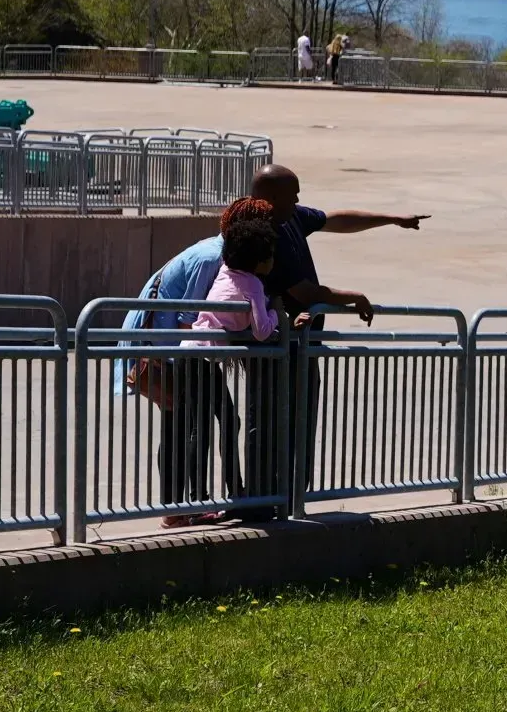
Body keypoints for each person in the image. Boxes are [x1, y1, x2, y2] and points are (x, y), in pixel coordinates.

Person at [234, 163, 429, 519]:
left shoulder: (290, 217)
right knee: (268, 420)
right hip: (275, 345)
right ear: (272, 197)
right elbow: (306, 292)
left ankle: (289, 497)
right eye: (292, 193)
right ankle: (262, 502)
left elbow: (335, 219)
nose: (298, 199)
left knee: (300, 418)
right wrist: (353, 297)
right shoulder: (266, 234)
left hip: (301, 343)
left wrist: (391, 219)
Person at [160, 210, 282, 526]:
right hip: (201, 357)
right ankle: (195, 504)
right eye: (270, 256)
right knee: (201, 429)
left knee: (227, 419)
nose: (273, 262)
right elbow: (261, 330)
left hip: (194, 354)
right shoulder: (253, 283)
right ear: (258, 261)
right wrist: (277, 315)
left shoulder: (227, 271)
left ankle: (233, 492)